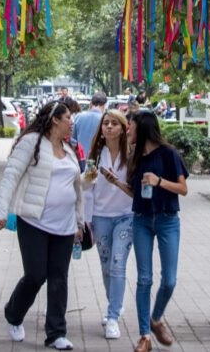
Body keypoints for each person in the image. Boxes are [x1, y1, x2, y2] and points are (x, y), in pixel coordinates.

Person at [0, 101, 84, 351]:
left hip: (64, 226)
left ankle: (56, 333)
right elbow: (11, 175)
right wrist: (0, 212)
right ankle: (13, 314)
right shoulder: (31, 142)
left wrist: (79, 221)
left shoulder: (70, 149)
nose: (72, 123)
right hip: (33, 220)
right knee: (35, 275)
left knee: (58, 278)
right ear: (55, 120)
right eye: (68, 119)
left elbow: (75, 188)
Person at [127, 110, 189, 352]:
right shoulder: (135, 157)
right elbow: (136, 193)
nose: (127, 130)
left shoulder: (169, 154)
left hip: (167, 220)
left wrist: (159, 181)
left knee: (170, 280)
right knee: (144, 279)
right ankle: (145, 335)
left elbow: (183, 189)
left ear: (142, 128)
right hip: (141, 220)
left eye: (130, 126)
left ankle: (156, 318)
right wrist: (117, 183)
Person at [82, 110, 134, 340]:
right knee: (105, 266)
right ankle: (114, 302)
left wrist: (117, 181)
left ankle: (112, 316)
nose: (109, 127)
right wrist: (88, 179)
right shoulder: (95, 153)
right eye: (106, 123)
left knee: (117, 263)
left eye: (114, 123)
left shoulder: (131, 154)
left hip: (126, 216)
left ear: (123, 128)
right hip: (101, 216)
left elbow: (136, 189)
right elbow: (85, 188)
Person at [73, 91, 108, 155]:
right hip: (97, 158)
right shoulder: (105, 120)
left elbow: (73, 140)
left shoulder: (78, 117)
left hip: (79, 157)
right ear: (105, 105)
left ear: (91, 103)